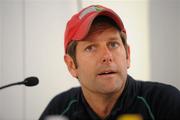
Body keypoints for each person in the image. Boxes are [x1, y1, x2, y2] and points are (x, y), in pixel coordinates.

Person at [39, 5, 180, 120]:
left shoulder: (165, 102)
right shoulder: (59, 110)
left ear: (127, 56)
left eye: (113, 44)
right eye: (91, 47)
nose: (107, 56)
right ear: (71, 65)